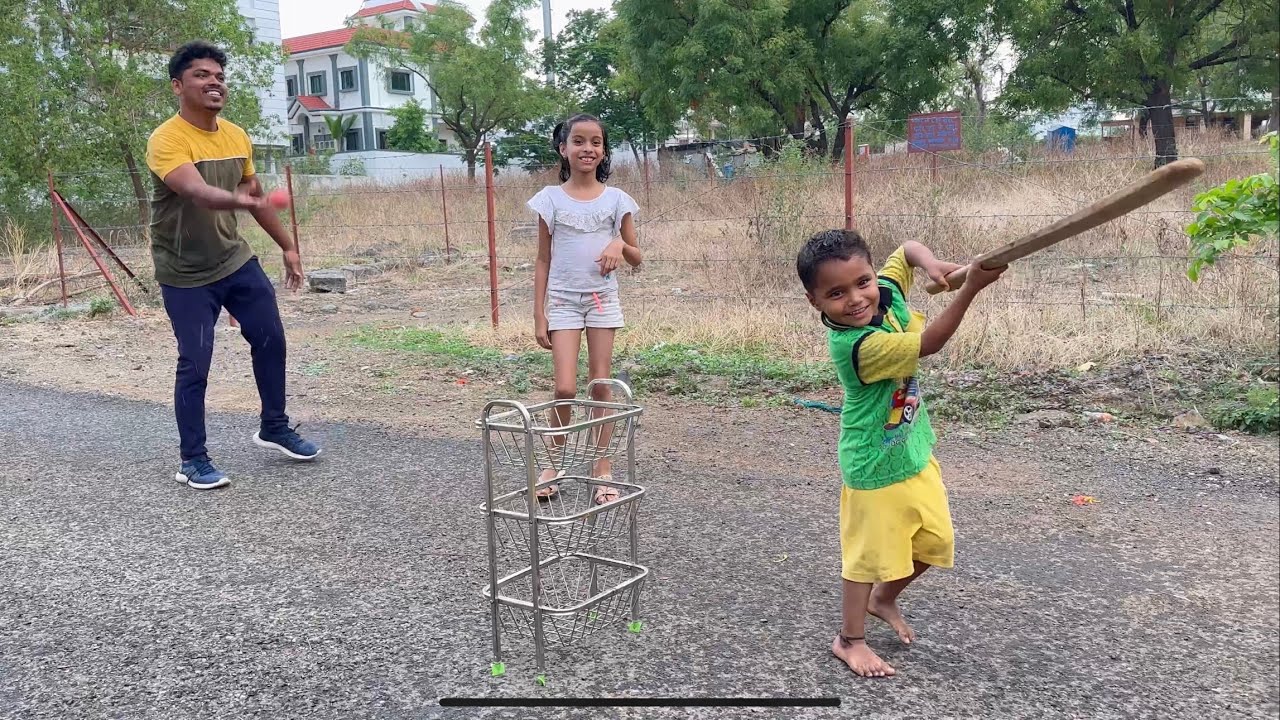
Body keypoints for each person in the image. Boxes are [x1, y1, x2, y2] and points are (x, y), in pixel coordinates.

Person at [795, 230, 1006, 678]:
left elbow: (906, 250)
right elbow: (929, 343)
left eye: (863, 282)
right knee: (865, 559)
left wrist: (930, 264)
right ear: (815, 302)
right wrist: (970, 287)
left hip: (911, 450)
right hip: (872, 464)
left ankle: (884, 598)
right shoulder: (856, 346)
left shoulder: (885, 291)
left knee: (934, 542)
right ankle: (849, 640)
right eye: (836, 293)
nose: (856, 299)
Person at [146, 41, 320, 490]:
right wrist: (244, 200)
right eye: (202, 75)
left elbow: (255, 197)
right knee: (195, 363)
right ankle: (192, 460)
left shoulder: (237, 136)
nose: (214, 82)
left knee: (271, 338)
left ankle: (274, 426)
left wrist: (288, 247)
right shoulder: (167, 139)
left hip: (234, 259)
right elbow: (197, 192)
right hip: (184, 272)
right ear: (177, 86)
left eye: (219, 76)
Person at [527, 113, 642, 504]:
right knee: (564, 387)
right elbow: (543, 259)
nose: (587, 148)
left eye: (596, 142)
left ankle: (602, 466)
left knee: (600, 384)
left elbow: (637, 257)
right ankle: (552, 463)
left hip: (600, 300)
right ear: (563, 148)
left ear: (604, 151)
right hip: (562, 301)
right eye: (578, 141)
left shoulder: (617, 200)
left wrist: (619, 244)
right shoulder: (549, 199)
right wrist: (539, 312)